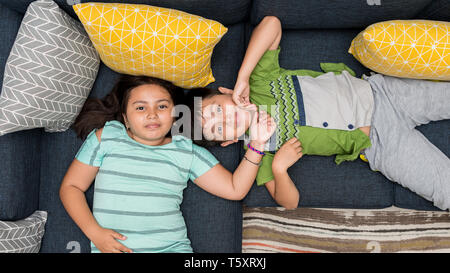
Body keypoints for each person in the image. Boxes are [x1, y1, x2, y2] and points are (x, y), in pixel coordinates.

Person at [186, 16, 450, 210]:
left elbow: (271, 24)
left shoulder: (259, 81)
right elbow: (289, 203)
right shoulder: (261, 150)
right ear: (229, 141)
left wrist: (243, 76)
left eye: (217, 109)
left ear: (225, 91)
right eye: (218, 128)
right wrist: (280, 169)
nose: (225, 119)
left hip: (383, 93)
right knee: (444, 187)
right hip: (380, 144)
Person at [59, 75, 275, 253]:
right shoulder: (106, 137)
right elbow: (71, 187)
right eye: (141, 108)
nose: (152, 114)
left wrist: (257, 143)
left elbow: (235, 189)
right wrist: (94, 233)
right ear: (126, 119)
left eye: (162, 106)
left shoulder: (186, 151)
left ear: (174, 116)